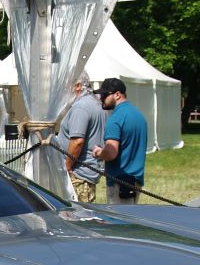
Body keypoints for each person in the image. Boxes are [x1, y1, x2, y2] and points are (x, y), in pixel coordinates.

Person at [92, 78, 147, 205]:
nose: (101, 99)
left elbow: (111, 153)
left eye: (104, 95)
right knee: (131, 216)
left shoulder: (116, 118)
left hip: (119, 182)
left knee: (118, 217)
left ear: (117, 95)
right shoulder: (139, 115)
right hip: (136, 181)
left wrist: (99, 152)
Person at [53, 71, 104, 203]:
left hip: (78, 175)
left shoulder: (80, 107)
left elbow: (77, 142)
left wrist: (67, 167)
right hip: (87, 172)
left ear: (77, 86)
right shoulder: (96, 103)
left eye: (66, 85)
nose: (64, 90)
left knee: (77, 214)